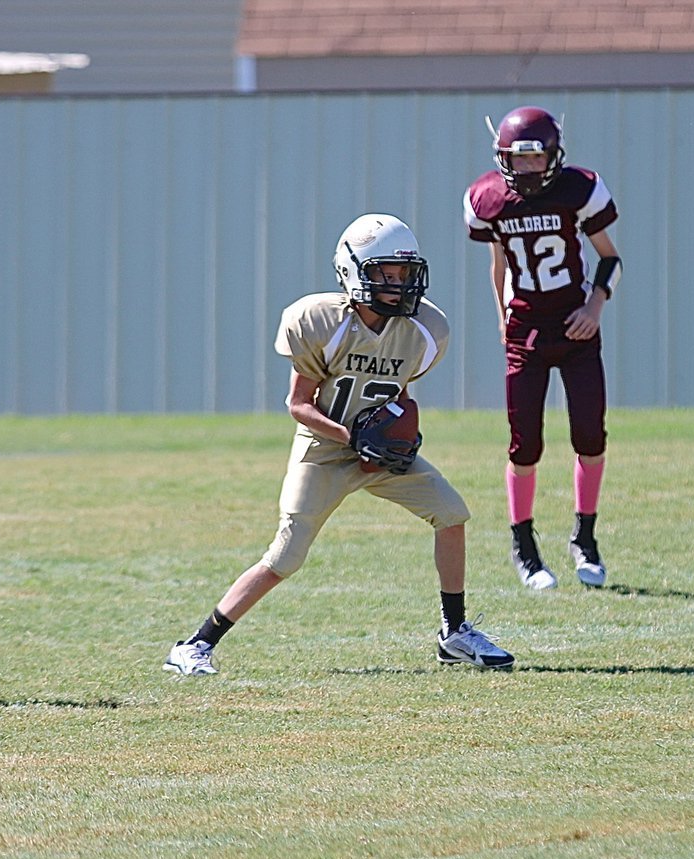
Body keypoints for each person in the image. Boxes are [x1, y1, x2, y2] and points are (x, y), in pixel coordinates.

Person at [164, 213, 515, 675]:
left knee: (452, 513)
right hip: (326, 449)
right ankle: (194, 645)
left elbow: (397, 393)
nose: (398, 284)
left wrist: (398, 434)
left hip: (381, 453)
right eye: (385, 274)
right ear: (354, 272)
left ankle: (454, 633)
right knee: (285, 556)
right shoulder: (320, 321)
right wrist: (353, 438)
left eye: (404, 274)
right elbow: (299, 403)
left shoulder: (426, 329)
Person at [462, 106, 622, 591]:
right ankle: (524, 546)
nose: (528, 169)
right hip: (526, 328)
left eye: (536, 159)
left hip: (575, 328)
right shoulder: (488, 199)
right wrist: (501, 317)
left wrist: (594, 308)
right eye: (518, 159)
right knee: (524, 443)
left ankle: (585, 537)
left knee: (590, 436)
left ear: (554, 155)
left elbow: (609, 257)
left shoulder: (579, 190)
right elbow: (499, 267)